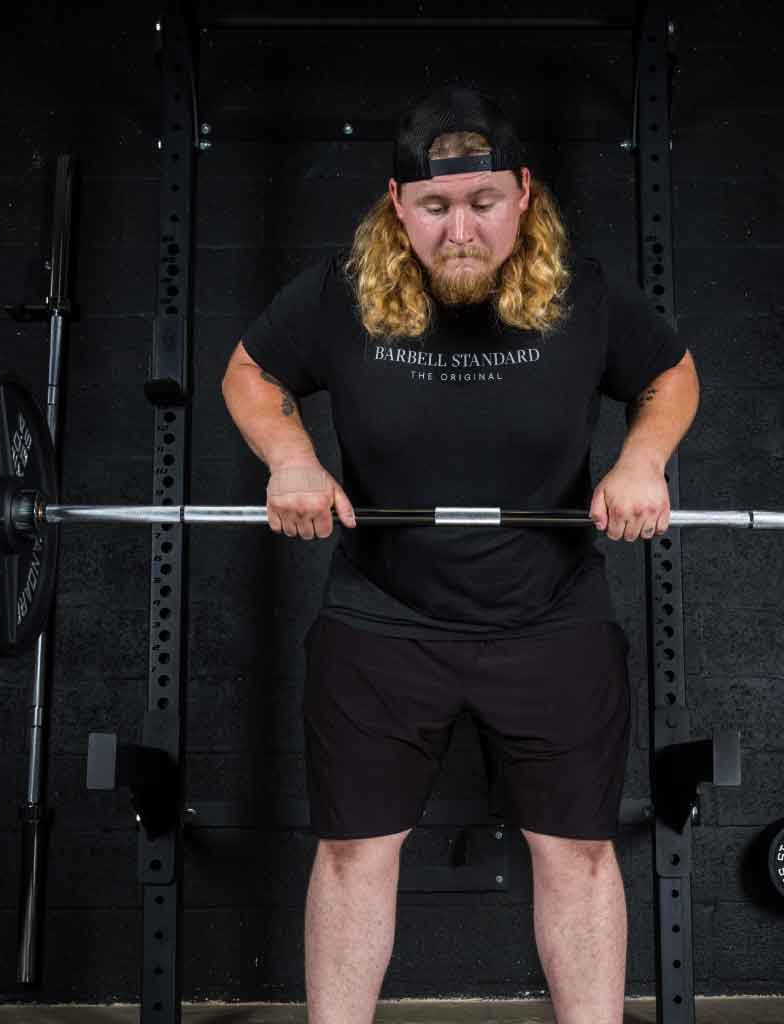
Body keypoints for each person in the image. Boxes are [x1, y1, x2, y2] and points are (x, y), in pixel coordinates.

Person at [220, 83, 700, 1024]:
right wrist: (291, 458)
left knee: (579, 853)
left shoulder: (585, 295)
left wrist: (644, 460)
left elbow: (670, 374)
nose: (461, 230)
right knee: (355, 853)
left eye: (482, 202)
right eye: (435, 208)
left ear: (524, 192)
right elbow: (251, 372)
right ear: (398, 207)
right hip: (381, 618)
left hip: (553, 616)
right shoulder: (340, 294)